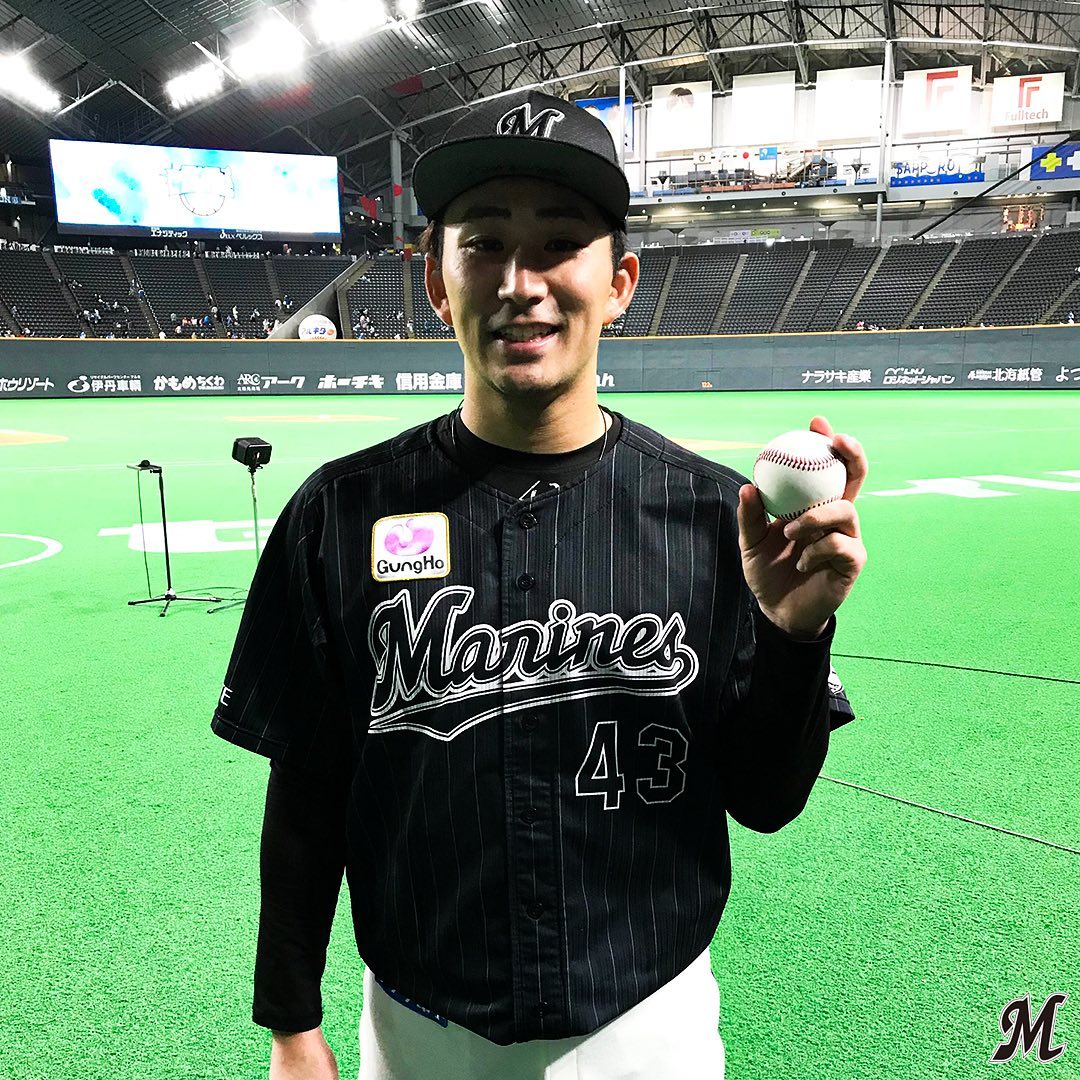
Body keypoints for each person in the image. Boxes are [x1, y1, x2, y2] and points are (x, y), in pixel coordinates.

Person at [212, 88, 867, 1080]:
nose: (521, 284)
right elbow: (308, 789)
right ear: (437, 282)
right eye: (484, 244)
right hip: (416, 1031)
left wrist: (792, 635)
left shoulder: (716, 516)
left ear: (620, 283)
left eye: (560, 243)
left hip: (647, 1026)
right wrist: (290, 1025)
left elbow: (767, 801)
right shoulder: (337, 514)